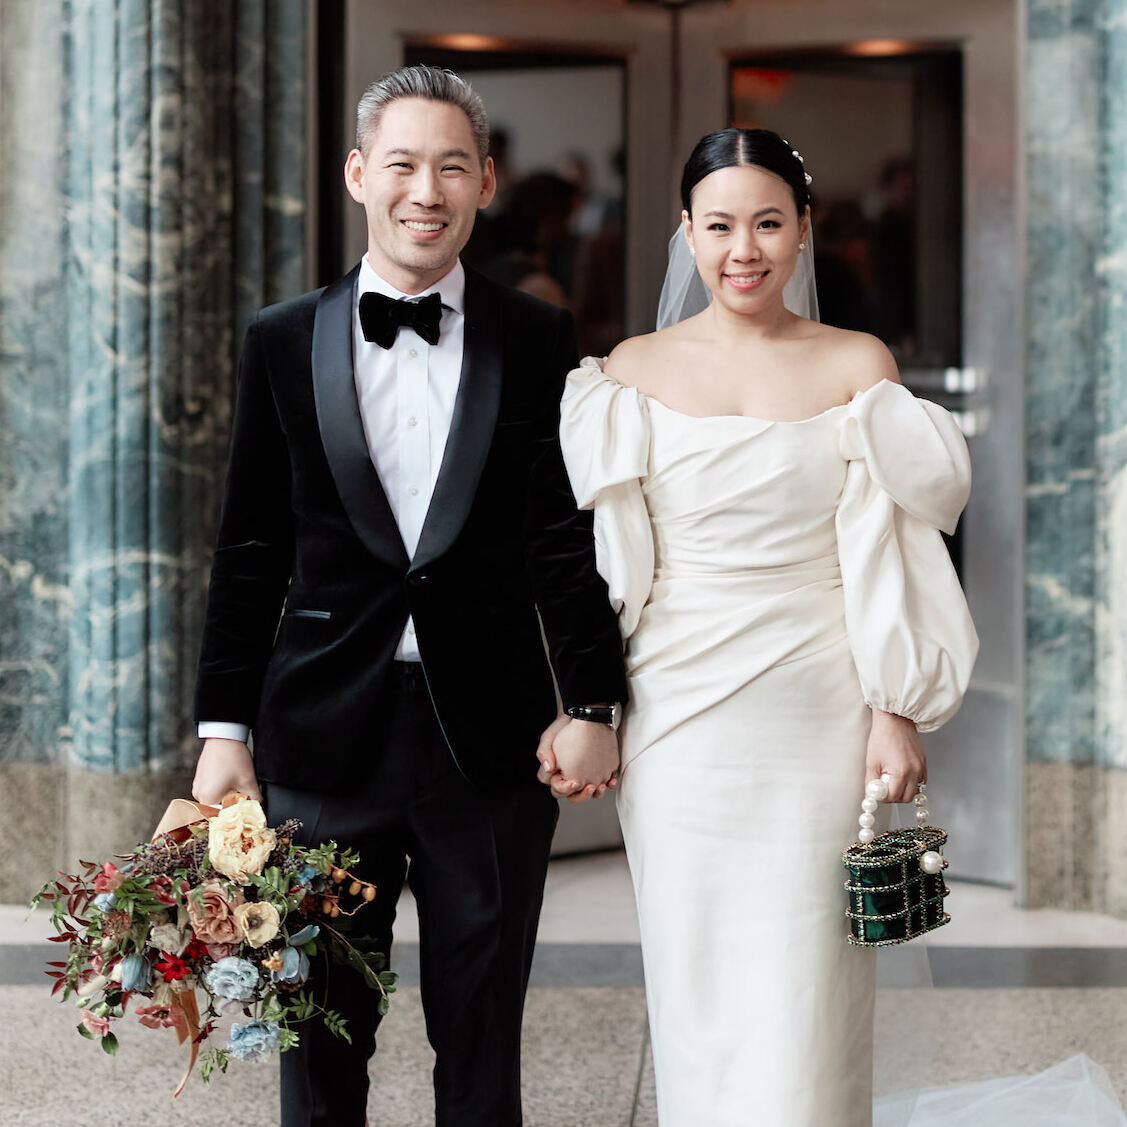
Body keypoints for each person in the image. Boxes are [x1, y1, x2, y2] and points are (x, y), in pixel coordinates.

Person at [191, 65, 625, 1127]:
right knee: (319, 1036)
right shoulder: (280, 338)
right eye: (401, 164)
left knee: (481, 1038)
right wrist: (222, 725)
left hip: (488, 739)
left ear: (483, 182)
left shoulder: (535, 337)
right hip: (321, 738)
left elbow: (561, 539)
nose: (423, 190)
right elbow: (251, 545)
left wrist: (591, 702)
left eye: (449, 167)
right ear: (356, 175)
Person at [544, 128, 978, 1126]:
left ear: (802, 232)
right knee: (698, 974)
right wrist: (590, 704)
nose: (744, 248)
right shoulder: (627, 372)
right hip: (679, 716)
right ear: (684, 234)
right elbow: (604, 571)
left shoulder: (853, 364)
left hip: (817, 713)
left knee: (807, 983)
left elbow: (887, 552)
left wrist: (892, 707)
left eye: (768, 223)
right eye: (721, 224)